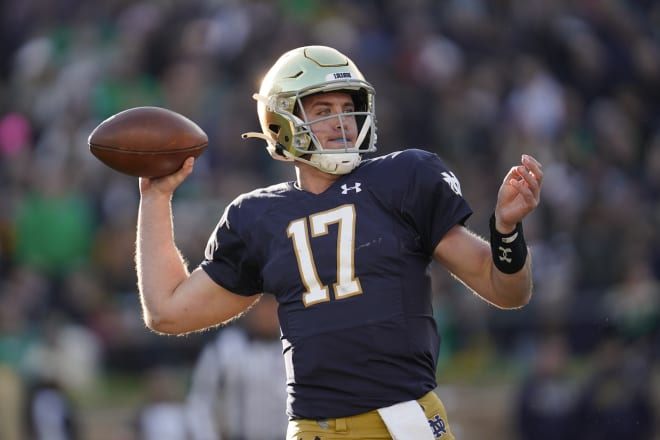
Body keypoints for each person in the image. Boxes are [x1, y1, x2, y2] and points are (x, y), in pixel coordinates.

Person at [134, 45, 543, 440]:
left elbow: (506, 290)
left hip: (405, 424)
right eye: (324, 111)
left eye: (348, 108)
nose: (342, 121)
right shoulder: (256, 217)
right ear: (282, 122)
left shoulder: (402, 178)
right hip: (315, 431)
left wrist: (505, 230)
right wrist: (155, 198)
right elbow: (167, 311)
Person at [185, 294, 288, 440]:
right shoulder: (225, 347)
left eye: (273, 306)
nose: (268, 313)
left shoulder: (297, 346)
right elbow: (200, 403)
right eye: (262, 306)